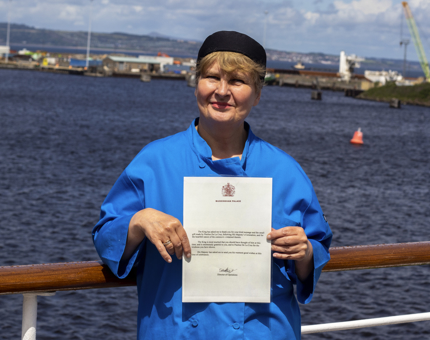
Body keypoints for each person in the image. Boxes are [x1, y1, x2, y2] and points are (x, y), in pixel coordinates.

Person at [92, 30, 332, 340]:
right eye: (211, 77)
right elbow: (105, 237)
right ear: (196, 86)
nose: (221, 91)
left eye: (237, 81)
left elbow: (316, 247)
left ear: (257, 94)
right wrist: (137, 222)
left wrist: (305, 253)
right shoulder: (154, 161)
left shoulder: (286, 171)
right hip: (173, 331)